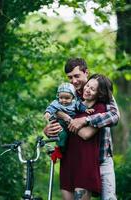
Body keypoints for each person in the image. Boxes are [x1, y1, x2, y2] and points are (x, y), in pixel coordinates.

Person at [44, 58, 120, 200]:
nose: (73, 81)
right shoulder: (68, 94)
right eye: (70, 77)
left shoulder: (100, 93)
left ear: (86, 73)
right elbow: (55, 115)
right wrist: (48, 128)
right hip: (74, 158)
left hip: (101, 157)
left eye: (77, 76)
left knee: (108, 197)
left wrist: (84, 119)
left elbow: (114, 116)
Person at [60, 74, 113, 199]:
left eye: (92, 89)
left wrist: (66, 118)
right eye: (88, 85)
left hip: (85, 165)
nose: (87, 90)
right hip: (68, 162)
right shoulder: (74, 104)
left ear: (99, 94)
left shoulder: (99, 109)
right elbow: (57, 123)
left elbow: (86, 134)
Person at [44, 82, 94, 162]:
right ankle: (59, 149)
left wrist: (86, 110)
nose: (63, 100)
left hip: (72, 123)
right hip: (61, 123)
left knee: (71, 136)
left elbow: (80, 107)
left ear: (72, 97)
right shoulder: (56, 103)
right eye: (61, 97)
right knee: (62, 135)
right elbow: (51, 107)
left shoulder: (75, 103)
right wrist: (47, 113)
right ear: (58, 97)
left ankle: (60, 150)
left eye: (67, 98)